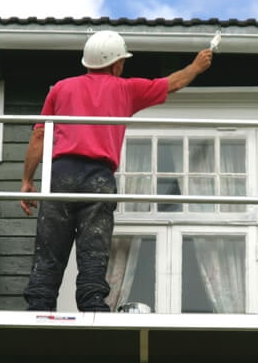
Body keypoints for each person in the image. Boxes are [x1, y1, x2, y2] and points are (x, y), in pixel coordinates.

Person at [20, 30, 213, 311]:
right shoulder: (126, 89)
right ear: (116, 64)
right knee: (93, 244)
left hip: (60, 174)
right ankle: (92, 303)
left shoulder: (60, 89)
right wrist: (196, 66)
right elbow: (173, 83)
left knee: (50, 245)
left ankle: (39, 305)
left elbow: (39, 138)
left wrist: (27, 180)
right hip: (98, 177)